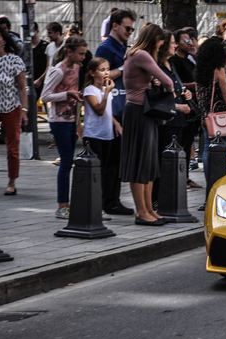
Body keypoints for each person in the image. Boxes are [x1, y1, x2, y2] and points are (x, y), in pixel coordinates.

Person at [120, 23, 174, 226]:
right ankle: (142, 211)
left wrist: (154, 83)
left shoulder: (135, 54)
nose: (161, 46)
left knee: (149, 163)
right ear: (154, 39)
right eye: (160, 41)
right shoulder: (141, 54)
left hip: (142, 111)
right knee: (140, 162)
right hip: (138, 112)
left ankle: (149, 208)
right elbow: (167, 81)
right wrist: (168, 89)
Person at [95, 8, 137, 216]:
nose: (131, 31)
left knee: (117, 160)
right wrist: (123, 68)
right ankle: (108, 201)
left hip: (122, 106)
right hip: (112, 108)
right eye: (128, 28)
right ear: (115, 26)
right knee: (111, 160)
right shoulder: (106, 48)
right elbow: (99, 77)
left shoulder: (122, 47)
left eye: (132, 29)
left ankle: (112, 199)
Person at [41, 37, 87, 219]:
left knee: (69, 162)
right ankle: (62, 205)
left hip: (71, 119)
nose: (83, 57)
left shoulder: (76, 67)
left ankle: (67, 204)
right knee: (66, 162)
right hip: (58, 121)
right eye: (81, 53)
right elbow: (45, 96)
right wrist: (66, 94)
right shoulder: (58, 71)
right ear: (70, 51)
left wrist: (78, 120)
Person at [151, 30, 193, 207]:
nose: (175, 45)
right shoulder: (157, 66)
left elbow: (177, 87)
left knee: (175, 158)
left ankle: (168, 196)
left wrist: (186, 92)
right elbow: (156, 97)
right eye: (173, 43)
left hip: (179, 119)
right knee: (165, 158)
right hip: (167, 119)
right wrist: (178, 105)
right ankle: (158, 197)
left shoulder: (170, 64)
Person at [195, 36, 226, 210]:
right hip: (220, 117)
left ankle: (208, 189)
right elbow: (225, 92)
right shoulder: (218, 69)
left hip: (205, 115)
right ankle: (217, 188)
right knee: (222, 152)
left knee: (207, 151)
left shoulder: (200, 69)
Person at [82, 57, 123, 217]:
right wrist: (106, 93)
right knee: (96, 172)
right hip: (94, 136)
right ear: (92, 73)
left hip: (108, 135)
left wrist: (115, 123)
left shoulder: (104, 89)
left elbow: (107, 112)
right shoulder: (90, 90)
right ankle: (95, 206)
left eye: (107, 69)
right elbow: (99, 110)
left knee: (108, 171)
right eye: (101, 70)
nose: (106, 73)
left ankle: (106, 203)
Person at [0, 26, 27, 195]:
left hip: (11, 106)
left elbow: (23, 88)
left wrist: (24, 109)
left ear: (4, 40)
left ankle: (12, 181)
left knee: (12, 146)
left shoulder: (14, 60)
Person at [171, 27, 202, 189]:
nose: (189, 42)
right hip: (183, 105)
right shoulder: (174, 60)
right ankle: (179, 176)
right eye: (185, 40)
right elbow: (177, 83)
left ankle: (186, 176)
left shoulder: (191, 58)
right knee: (182, 142)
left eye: (190, 39)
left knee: (189, 140)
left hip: (193, 106)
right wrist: (194, 85)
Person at [31, 22, 48, 100]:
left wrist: (41, 79)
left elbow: (49, 66)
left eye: (32, 30)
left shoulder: (45, 46)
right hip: (30, 83)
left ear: (37, 31)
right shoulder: (25, 48)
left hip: (43, 83)